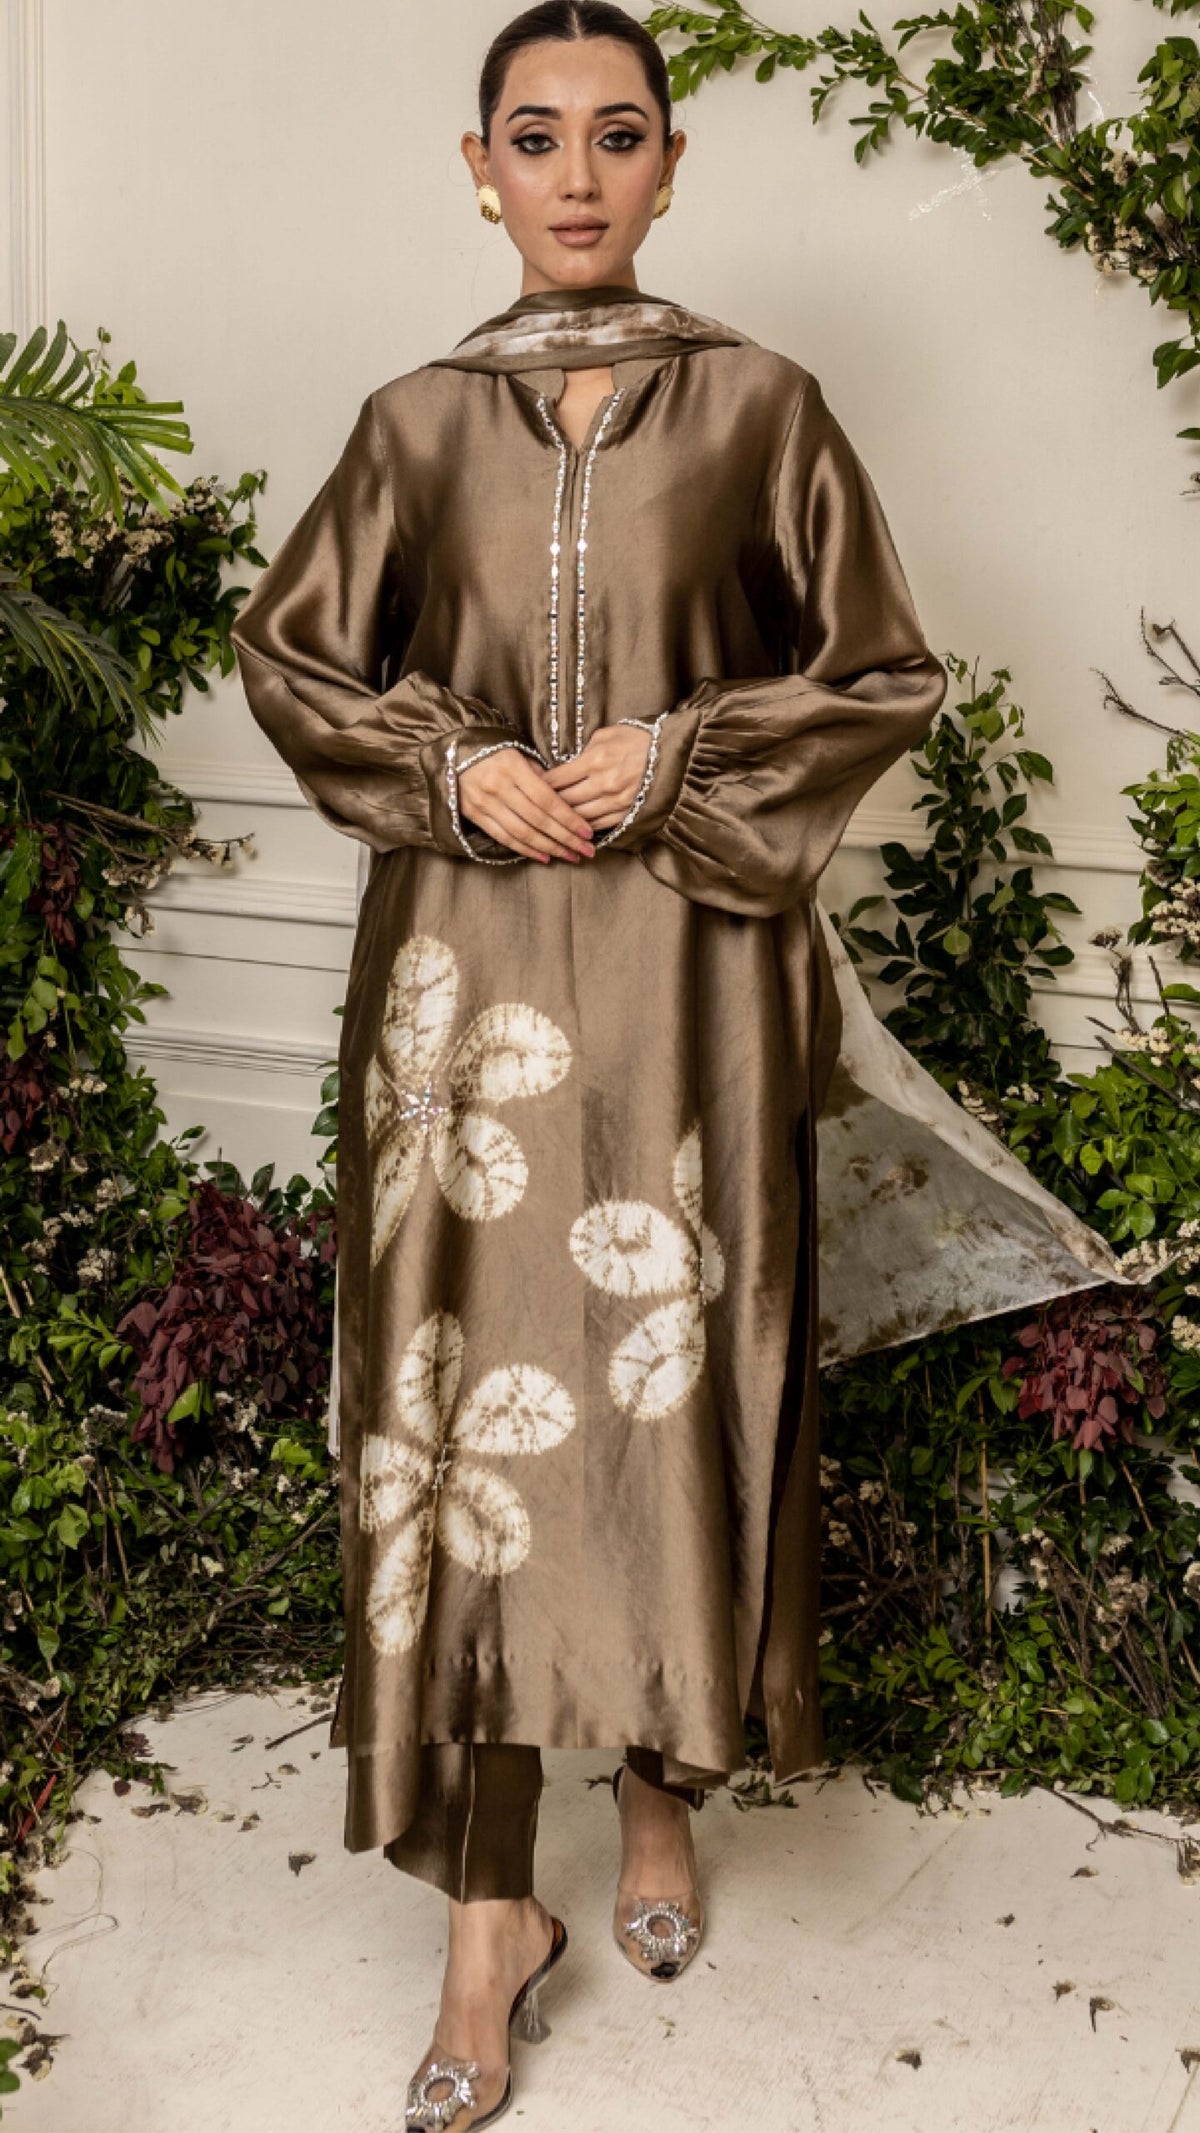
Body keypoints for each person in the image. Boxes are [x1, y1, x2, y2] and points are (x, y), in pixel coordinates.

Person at [230, 4, 1136, 2124]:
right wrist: (453, 764)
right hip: (463, 990)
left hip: (687, 969)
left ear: (671, 160)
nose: (576, 174)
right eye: (535, 136)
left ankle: (658, 1781)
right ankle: (487, 1914)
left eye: (616, 133)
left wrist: (681, 751)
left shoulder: (759, 408)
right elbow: (294, 655)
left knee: (667, 1364)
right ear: (476, 165)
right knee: (460, 1403)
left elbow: (880, 665)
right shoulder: (414, 424)